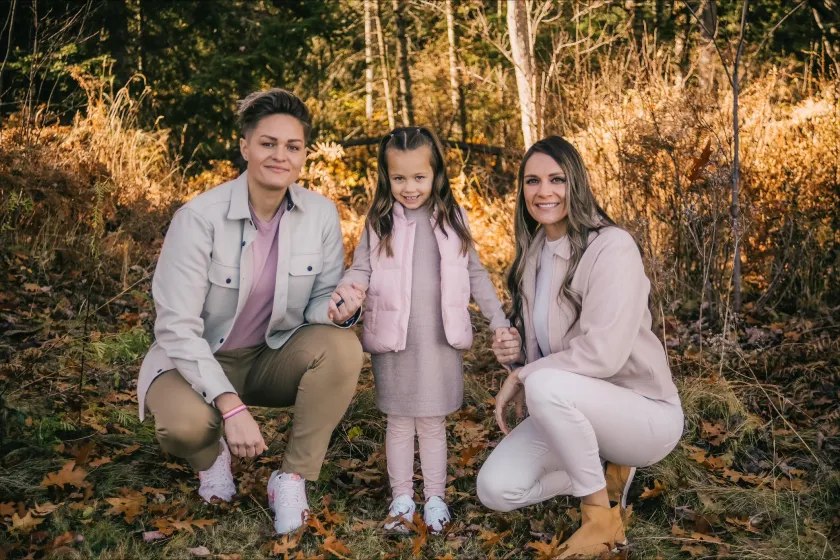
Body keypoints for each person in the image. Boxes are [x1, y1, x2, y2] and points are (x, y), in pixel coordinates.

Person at [137, 88, 364, 535]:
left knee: (342, 347)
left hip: (268, 356)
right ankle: (211, 458)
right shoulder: (198, 218)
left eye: (293, 147)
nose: (281, 156)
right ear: (244, 147)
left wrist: (339, 311)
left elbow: (319, 299)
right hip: (194, 362)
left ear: (304, 155)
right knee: (185, 428)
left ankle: (292, 477)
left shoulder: (320, 213)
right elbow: (177, 328)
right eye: (268, 143)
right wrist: (231, 408)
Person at [476, 136, 684, 558]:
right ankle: (601, 471)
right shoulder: (533, 252)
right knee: (496, 489)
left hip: (643, 415)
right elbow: (542, 358)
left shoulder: (612, 246)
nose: (544, 191)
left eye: (557, 179)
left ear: (577, 183)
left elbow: (602, 355)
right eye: (532, 181)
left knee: (546, 385)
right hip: (573, 407)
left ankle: (599, 519)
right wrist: (515, 354)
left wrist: (526, 375)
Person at [335, 127, 509, 533]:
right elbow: (361, 267)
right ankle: (401, 499)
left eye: (419, 177)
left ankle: (434, 498)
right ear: (386, 176)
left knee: (432, 422)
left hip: (438, 338)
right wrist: (348, 290)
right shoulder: (380, 220)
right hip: (394, 338)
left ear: (436, 175)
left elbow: (475, 273)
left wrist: (498, 320)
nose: (409, 187)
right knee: (398, 421)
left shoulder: (452, 217)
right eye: (399, 178)